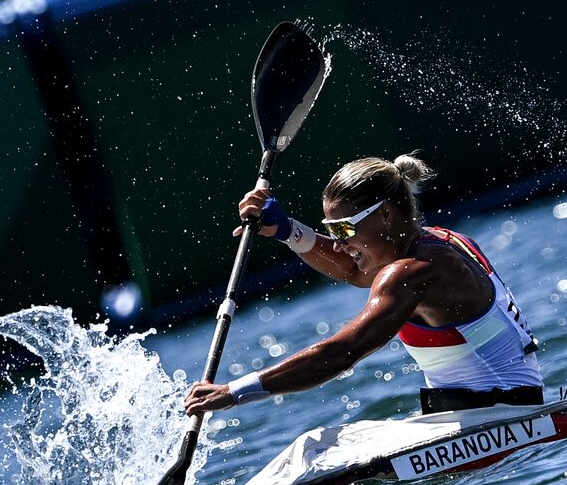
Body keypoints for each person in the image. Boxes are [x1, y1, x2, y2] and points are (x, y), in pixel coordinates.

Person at [185, 153, 543, 417]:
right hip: (504, 407)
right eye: (330, 231)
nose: (339, 244)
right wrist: (286, 230)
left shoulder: (411, 273)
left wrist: (232, 392)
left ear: (386, 214)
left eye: (343, 229)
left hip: (502, 416)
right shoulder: (444, 242)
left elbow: (341, 353)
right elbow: (353, 269)